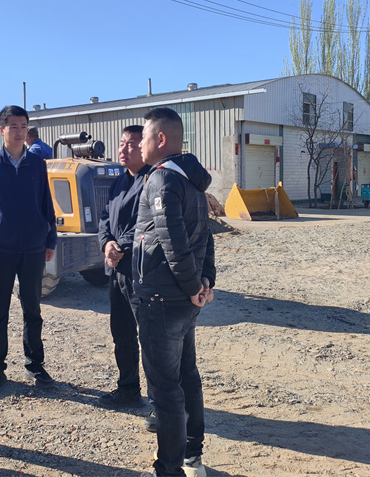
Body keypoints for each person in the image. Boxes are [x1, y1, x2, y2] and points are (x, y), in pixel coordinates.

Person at [132, 107, 215, 477]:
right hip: (182, 299)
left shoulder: (162, 179)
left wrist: (197, 285)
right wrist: (204, 282)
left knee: (166, 389)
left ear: (161, 139)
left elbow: (173, 242)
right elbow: (206, 237)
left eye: (145, 137)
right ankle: (192, 457)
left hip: (161, 300)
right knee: (187, 377)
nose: (140, 145)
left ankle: (168, 470)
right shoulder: (191, 180)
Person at [0, 105, 57, 395]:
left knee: (32, 309)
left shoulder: (37, 164)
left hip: (33, 248)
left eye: (23, 126)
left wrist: (50, 239)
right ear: (2, 130)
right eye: (14, 126)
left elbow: (46, 203)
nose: (20, 131)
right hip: (1, 250)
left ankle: (35, 365)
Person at [97, 125, 150, 410]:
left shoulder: (151, 180)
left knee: (150, 336)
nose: (123, 149)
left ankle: (159, 403)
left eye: (131, 144)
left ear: (145, 146)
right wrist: (106, 243)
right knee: (122, 333)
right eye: (121, 143)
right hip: (116, 270)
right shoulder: (119, 182)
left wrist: (120, 247)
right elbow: (105, 217)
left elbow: (145, 224)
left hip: (140, 270)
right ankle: (128, 389)